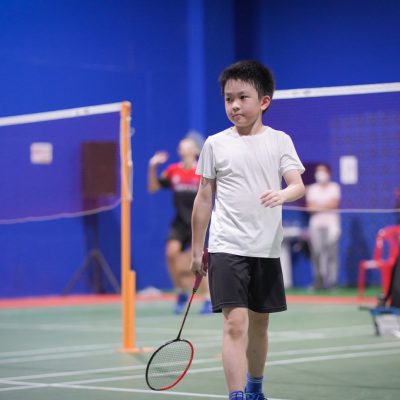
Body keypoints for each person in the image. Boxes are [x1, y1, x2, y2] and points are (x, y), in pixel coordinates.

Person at [190, 61, 305, 400]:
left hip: (266, 248)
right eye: (228, 99)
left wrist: (283, 194)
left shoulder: (280, 141)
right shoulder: (215, 144)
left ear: (264, 101)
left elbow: (297, 185)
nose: (234, 105)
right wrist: (197, 250)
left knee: (260, 325)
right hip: (226, 245)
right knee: (235, 323)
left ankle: (255, 389)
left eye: (242, 97)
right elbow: (204, 198)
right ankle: (237, 395)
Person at [148, 136, 212, 314]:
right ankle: (181, 291)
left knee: (200, 261)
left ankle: (208, 298)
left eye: (186, 146)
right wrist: (152, 167)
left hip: (198, 221)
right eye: (180, 146)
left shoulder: (201, 171)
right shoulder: (173, 171)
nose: (182, 149)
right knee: (171, 253)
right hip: (179, 222)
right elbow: (153, 187)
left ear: (194, 151)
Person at [305, 163, 341, 290]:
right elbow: (310, 208)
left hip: (332, 225)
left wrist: (318, 206)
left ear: (328, 173)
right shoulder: (312, 188)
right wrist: (325, 205)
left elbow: (334, 204)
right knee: (316, 253)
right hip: (316, 225)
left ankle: (332, 282)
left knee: (332, 253)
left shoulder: (334, 187)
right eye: (318, 171)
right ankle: (318, 282)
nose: (320, 173)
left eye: (322, 171)